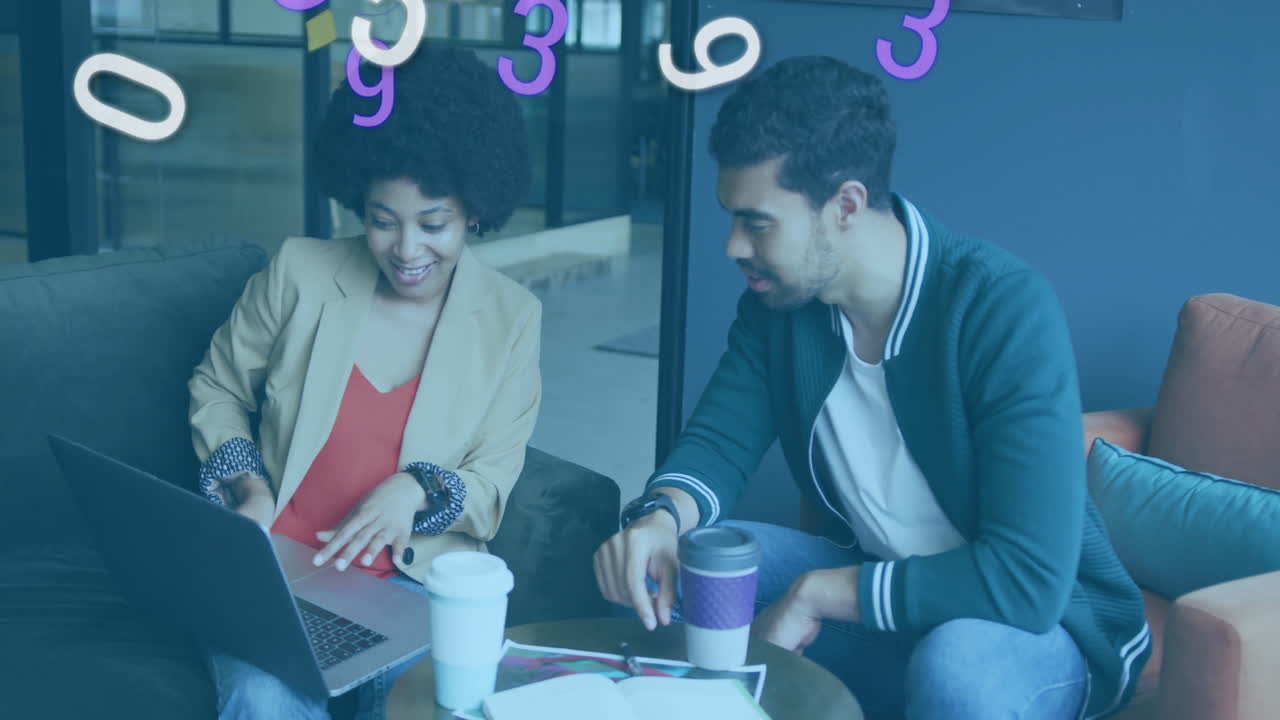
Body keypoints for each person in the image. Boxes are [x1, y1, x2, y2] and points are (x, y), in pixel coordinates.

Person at [594, 56, 1150, 720]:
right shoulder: (782, 308)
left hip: (1043, 632)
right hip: (893, 601)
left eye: (758, 222)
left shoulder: (1000, 306)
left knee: (957, 670)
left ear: (846, 206)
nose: (733, 247)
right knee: (666, 572)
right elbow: (718, 442)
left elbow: (1028, 581)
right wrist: (659, 518)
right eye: (731, 219)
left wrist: (816, 594)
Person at [188, 44, 541, 720]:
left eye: (433, 223)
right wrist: (250, 492)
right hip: (275, 580)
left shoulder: (512, 320)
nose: (407, 251)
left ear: (475, 209)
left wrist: (414, 488)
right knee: (262, 702)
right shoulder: (299, 274)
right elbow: (217, 387)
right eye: (383, 222)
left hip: (408, 595)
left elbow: (494, 475)